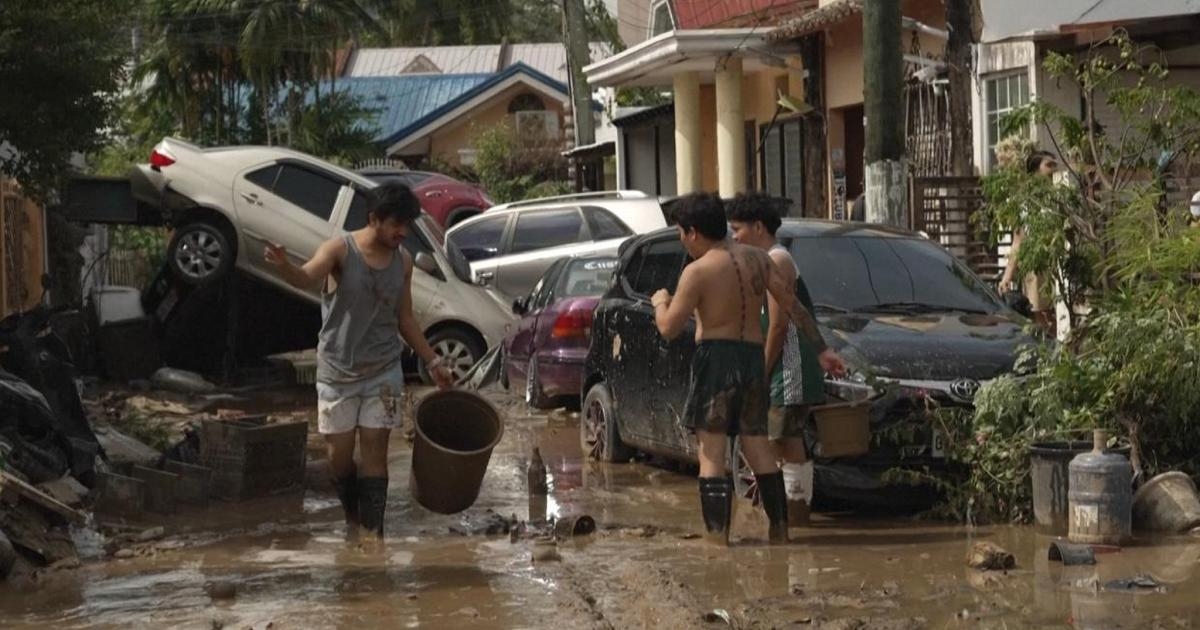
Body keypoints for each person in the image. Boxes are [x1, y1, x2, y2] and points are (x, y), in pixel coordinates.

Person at [265, 181, 455, 542]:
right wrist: (283, 265)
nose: (403, 232)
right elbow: (306, 277)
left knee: (375, 450)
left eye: (407, 225)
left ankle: (373, 535)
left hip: (383, 370)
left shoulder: (402, 263)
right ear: (374, 219)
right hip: (337, 370)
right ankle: (353, 515)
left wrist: (433, 362)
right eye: (396, 224)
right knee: (338, 458)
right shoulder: (340, 249)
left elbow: (406, 319)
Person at [652, 193, 845, 545]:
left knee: (711, 451)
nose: (682, 240)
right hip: (753, 358)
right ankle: (780, 531)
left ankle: (717, 539)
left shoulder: (697, 272)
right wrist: (822, 350)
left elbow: (668, 327)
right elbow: (791, 305)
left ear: (693, 233)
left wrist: (660, 302)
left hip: (716, 358)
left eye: (681, 233)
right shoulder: (759, 259)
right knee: (758, 446)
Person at [727, 192, 827, 527]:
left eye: (737, 229)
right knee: (781, 439)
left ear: (758, 227)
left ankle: (797, 515)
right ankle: (791, 514)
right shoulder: (763, 259)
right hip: (784, 365)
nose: (734, 236)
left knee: (785, 438)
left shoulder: (777, 260)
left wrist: (763, 372)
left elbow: (780, 325)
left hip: (791, 365)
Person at [1000, 150, 1057, 329]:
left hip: (1059, 260)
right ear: (1035, 171)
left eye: (1055, 164)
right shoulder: (1027, 202)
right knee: (1041, 314)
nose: (1054, 169)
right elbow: (1019, 240)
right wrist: (1008, 274)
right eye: (1049, 165)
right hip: (1038, 264)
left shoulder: (1059, 197)